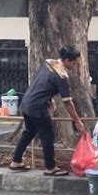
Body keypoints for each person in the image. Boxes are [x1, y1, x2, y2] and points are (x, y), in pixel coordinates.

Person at [9, 46, 86, 176]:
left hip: (26, 102)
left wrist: (50, 99)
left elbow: (42, 82)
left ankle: (15, 161)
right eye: (74, 63)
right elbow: (68, 102)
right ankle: (50, 167)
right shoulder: (61, 76)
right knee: (48, 136)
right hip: (38, 107)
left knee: (29, 131)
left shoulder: (48, 62)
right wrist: (77, 120)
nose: (75, 65)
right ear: (67, 60)